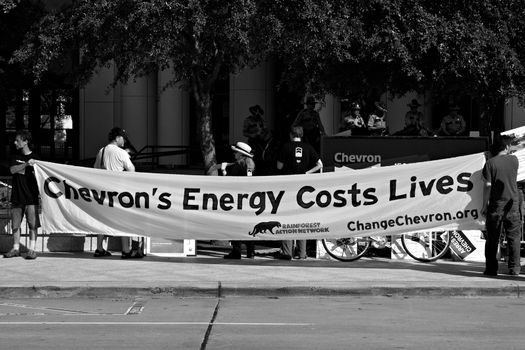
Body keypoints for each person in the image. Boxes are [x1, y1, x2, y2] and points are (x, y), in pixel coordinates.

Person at [93, 127, 142, 259]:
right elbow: (132, 171)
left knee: (102, 219)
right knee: (123, 219)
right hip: (119, 192)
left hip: (103, 192)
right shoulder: (122, 153)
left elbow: (95, 169)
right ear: (117, 138)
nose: (125, 141)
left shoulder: (101, 151)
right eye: (123, 138)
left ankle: (99, 248)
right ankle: (126, 250)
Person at [275, 126, 323, 260]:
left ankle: (287, 252)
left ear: (291, 135)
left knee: (287, 218)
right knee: (302, 219)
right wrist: (307, 173)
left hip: (288, 187)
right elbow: (320, 164)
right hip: (304, 187)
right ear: (301, 135)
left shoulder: (285, 147)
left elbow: (279, 166)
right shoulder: (308, 147)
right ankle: (302, 253)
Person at [481, 135, 521, 276]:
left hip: (496, 204)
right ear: (506, 147)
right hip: (512, 203)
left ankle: (491, 269)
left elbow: (487, 185)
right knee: (513, 236)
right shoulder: (514, 160)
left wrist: (484, 204)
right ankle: (515, 268)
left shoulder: (490, 163)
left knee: (493, 238)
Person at [209, 141, 256, 259]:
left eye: (236, 152)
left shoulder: (237, 166)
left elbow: (230, 183)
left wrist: (224, 171)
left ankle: (237, 250)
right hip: (250, 199)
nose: (234, 154)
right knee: (249, 225)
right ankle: (251, 251)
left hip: (238, 199)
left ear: (241, 154)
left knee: (237, 225)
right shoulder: (251, 165)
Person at [4, 130, 40, 259]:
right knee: (15, 225)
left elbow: (41, 177)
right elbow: (13, 170)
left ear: (25, 142)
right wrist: (26, 164)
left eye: (17, 140)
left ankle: (32, 250)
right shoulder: (14, 157)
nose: (15, 142)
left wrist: (34, 166)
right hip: (17, 196)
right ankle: (15, 248)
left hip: (31, 197)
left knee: (33, 224)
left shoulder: (37, 158)